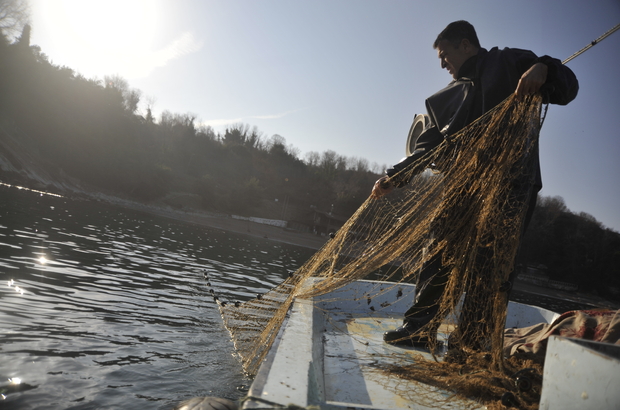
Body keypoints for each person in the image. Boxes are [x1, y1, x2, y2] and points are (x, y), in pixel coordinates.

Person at [372, 21, 579, 348]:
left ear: (466, 45)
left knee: (492, 263)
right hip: (463, 187)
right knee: (438, 251)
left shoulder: (510, 62)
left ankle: (472, 341)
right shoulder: (444, 99)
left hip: (512, 184)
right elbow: (427, 147)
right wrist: (394, 176)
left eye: (444, 54)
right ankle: (419, 329)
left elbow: (568, 86)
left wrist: (544, 68)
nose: (442, 63)